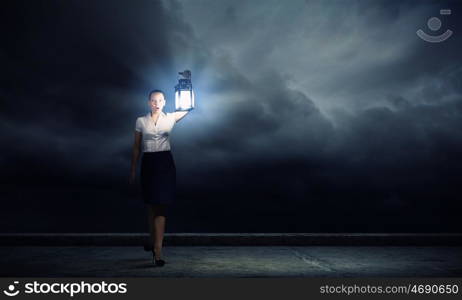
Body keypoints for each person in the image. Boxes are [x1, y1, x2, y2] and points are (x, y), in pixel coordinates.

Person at [129, 89, 190, 267]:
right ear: (149, 102)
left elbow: (190, 106)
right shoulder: (140, 120)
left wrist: (188, 84)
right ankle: (151, 240)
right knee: (151, 204)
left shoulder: (171, 117)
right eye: (153, 101)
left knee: (161, 206)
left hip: (165, 162)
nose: (156, 103)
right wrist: (133, 168)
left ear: (164, 102)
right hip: (148, 162)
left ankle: (158, 250)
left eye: (160, 100)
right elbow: (136, 146)